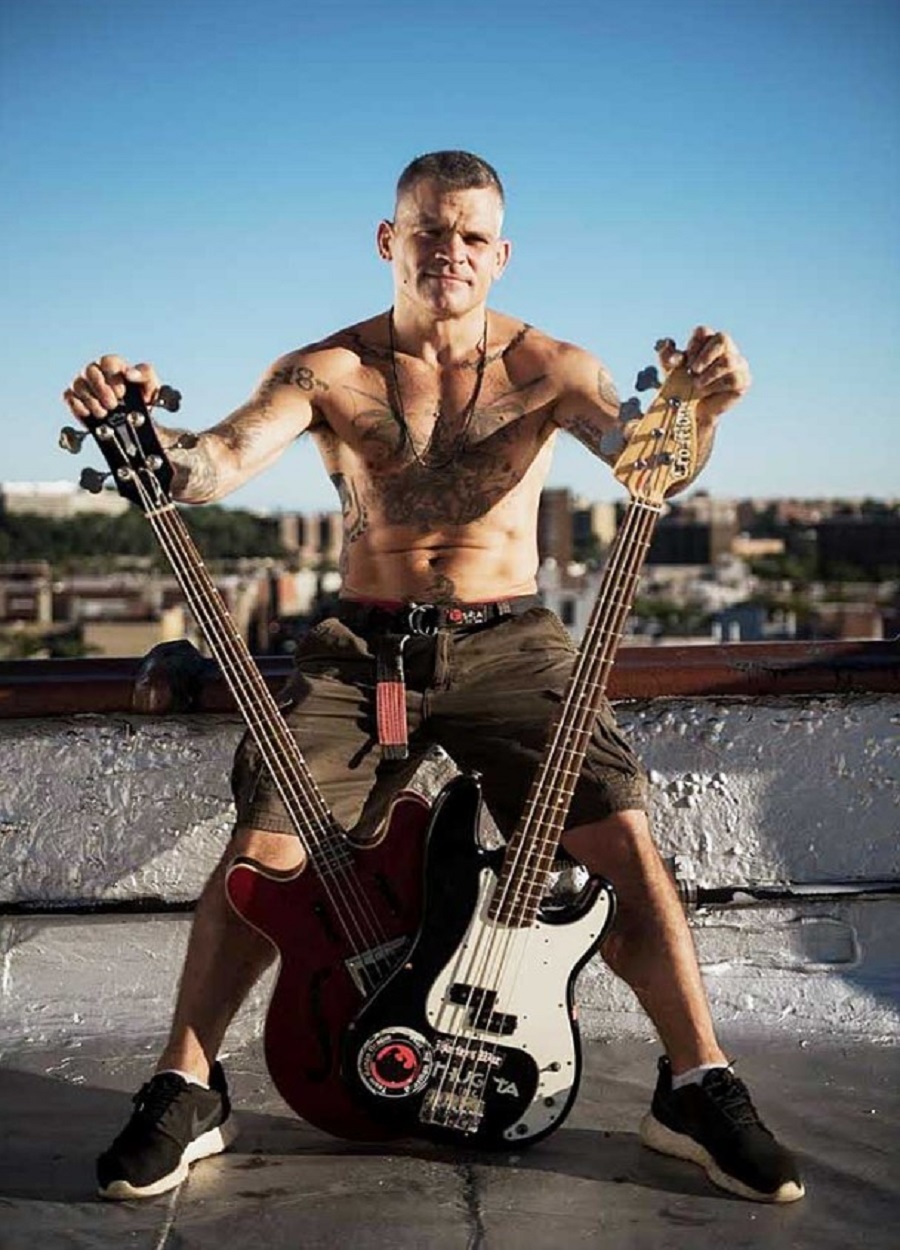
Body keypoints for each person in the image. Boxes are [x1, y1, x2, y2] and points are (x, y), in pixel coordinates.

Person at [64, 150, 803, 1205]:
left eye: (471, 235)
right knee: (263, 848)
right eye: (428, 229)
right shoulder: (326, 369)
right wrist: (144, 430)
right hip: (363, 646)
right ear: (389, 240)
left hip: (512, 639)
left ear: (501, 255)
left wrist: (707, 411)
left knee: (621, 834)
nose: (449, 249)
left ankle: (696, 1083)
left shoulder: (555, 366)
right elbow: (215, 461)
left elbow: (650, 462)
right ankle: (187, 1083)